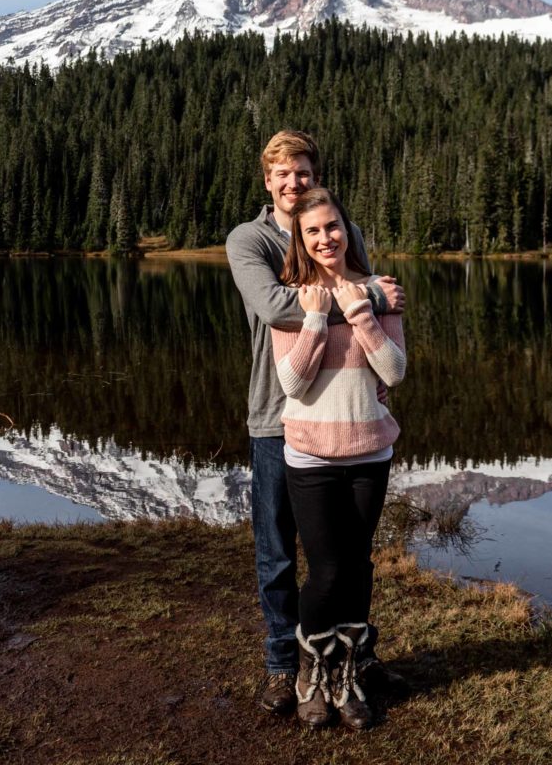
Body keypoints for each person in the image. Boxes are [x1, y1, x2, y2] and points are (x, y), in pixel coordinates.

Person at [226, 130, 404, 715]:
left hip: (348, 416)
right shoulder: (249, 239)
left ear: (315, 175)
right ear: (267, 180)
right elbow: (278, 306)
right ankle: (285, 664)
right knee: (278, 550)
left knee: (350, 554)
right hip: (275, 412)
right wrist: (372, 297)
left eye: (302, 171)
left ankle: (357, 655)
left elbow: (362, 295)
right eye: (282, 173)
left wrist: (366, 299)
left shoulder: (341, 227)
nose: (293, 182)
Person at [270, 187, 406, 730]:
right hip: (310, 456)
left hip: (370, 452)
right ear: (300, 240)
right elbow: (292, 383)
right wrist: (314, 319)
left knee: (357, 566)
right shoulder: (291, 298)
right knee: (327, 571)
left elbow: (393, 371)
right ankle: (311, 671)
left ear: (347, 229)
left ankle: (345, 675)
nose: (325, 238)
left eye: (332, 226)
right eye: (313, 231)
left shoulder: (379, 291)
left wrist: (360, 311)